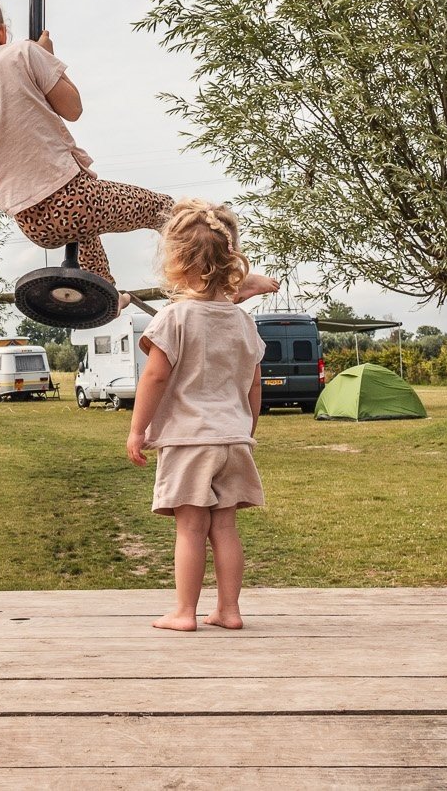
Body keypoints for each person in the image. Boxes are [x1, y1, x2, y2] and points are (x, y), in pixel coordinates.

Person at [0, 0, 171, 298]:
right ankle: (204, 275)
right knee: (165, 209)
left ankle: (104, 292)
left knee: (85, 230)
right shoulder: (22, 54)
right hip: (74, 200)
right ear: (1, 34)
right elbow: (73, 108)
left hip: (32, 223)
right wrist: (47, 59)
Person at [123, 200, 280, 632]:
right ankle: (229, 610)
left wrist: (137, 430)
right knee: (225, 527)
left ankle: (183, 613)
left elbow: (155, 377)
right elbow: (254, 385)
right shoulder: (243, 322)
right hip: (233, 439)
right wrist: (246, 429)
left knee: (191, 529)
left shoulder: (173, 318)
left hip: (189, 440)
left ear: (177, 261)